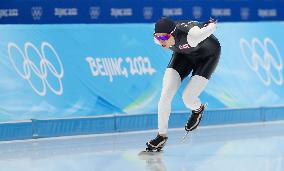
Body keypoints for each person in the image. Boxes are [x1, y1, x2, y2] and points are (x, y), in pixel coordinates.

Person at [146, 17, 221, 151]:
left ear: (173, 33)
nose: (161, 41)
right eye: (157, 37)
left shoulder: (192, 35)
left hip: (207, 56)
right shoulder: (158, 40)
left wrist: (210, 24)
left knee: (188, 98)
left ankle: (198, 110)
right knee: (165, 95)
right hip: (183, 55)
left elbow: (211, 27)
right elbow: (161, 38)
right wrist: (161, 38)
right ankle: (161, 136)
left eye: (163, 37)